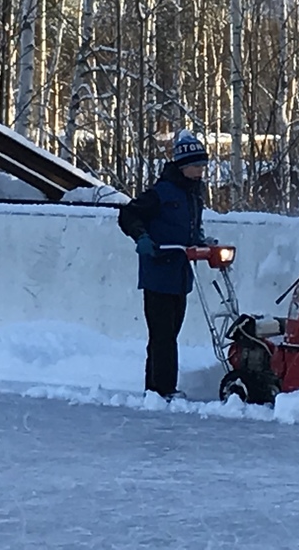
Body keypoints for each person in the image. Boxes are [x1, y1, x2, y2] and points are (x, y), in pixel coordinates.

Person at [117, 129, 209, 399]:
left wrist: (201, 240)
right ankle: (163, 389)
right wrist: (142, 237)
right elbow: (128, 215)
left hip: (181, 274)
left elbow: (191, 226)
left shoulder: (194, 193)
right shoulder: (160, 193)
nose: (200, 171)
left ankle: (155, 389)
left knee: (170, 333)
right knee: (162, 335)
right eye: (196, 166)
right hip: (158, 272)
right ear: (182, 166)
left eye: (202, 166)